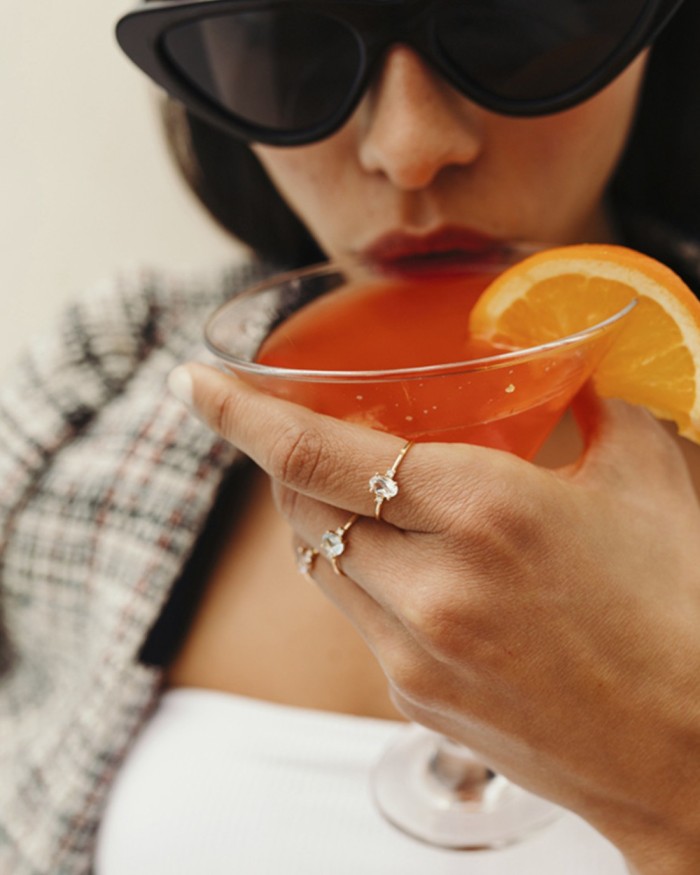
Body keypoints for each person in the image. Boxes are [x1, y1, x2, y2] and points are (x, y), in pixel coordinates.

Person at [2, 1, 700, 873]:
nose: (411, 151)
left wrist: (674, 776)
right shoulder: (93, 389)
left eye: (509, 21)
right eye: (296, 41)